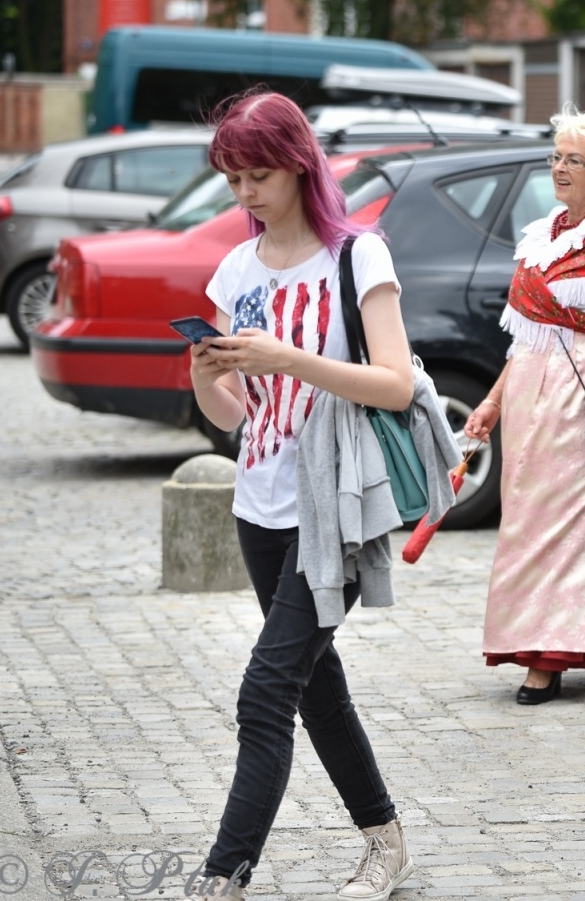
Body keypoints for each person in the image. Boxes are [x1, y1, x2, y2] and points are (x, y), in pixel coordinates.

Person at [187, 92, 425, 900]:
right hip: (260, 505)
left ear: (298, 164)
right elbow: (233, 416)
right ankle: (386, 840)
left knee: (266, 690)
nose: (245, 193)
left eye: (257, 174)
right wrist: (205, 376)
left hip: (340, 507)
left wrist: (288, 358)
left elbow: (394, 385)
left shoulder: (358, 256)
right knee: (313, 685)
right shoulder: (235, 270)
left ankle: (223, 877)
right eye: (233, 178)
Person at [463, 107, 585, 706]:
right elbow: (527, 335)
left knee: (562, 517)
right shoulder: (544, 230)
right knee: (529, 513)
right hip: (530, 384)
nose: (560, 168)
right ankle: (565, 634)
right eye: (556, 157)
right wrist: (491, 403)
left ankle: (545, 656)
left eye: (574, 159)